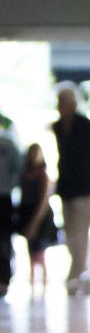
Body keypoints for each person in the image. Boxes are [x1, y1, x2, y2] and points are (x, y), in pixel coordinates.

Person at [52, 85, 90, 295]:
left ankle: (75, 278)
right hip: (67, 190)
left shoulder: (88, 127)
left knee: (80, 235)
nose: (59, 108)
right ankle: (84, 274)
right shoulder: (59, 128)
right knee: (71, 236)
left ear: (72, 105)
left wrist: (85, 177)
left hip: (85, 190)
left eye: (63, 103)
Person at [16, 143, 56, 295]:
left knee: (39, 252)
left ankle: (44, 287)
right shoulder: (24, 173)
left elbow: (44, 201)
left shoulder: (43, 175)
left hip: (41, 217)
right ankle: (33, 285)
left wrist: (34, 223)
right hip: (26, 212)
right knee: (31, 252)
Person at [0, 114, 21, 297]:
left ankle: (4, 279)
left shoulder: (7, 143)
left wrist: (9, 186)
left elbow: (19, 169)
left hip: (3, 197)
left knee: (4, 239)